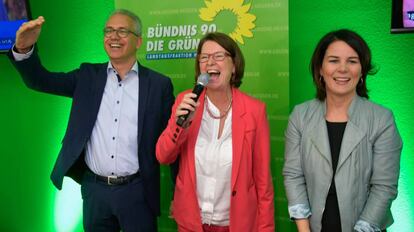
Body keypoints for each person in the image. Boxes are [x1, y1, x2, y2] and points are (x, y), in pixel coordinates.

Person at [8, 9, 174, 232]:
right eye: (109, 31)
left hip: (137, 191)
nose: (114, 36)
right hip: (95, 191)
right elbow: (40, 81)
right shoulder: (87, 76)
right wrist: (24, 50)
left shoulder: (159, 85)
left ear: (138, 41)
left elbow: (173, 142)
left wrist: (179, 193)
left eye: (122, 31)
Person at [283, 29, 402, 232]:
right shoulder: (300, 116)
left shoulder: (382, 119)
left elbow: (383, 188)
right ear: (320, 69)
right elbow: (293, 175)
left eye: (352, 61)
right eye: (333, 60)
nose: (343, 69)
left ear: (362, 70)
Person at [156, 32, 275, 232]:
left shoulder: (255, 111)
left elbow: (263, 182)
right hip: (191, 223)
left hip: (236, 224)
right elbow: (163, 156)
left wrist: (265, 229)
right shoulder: (186, 101)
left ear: (234, 65)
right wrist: (180, 124)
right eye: (204, 57)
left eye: (219, 56)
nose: (210, 62)